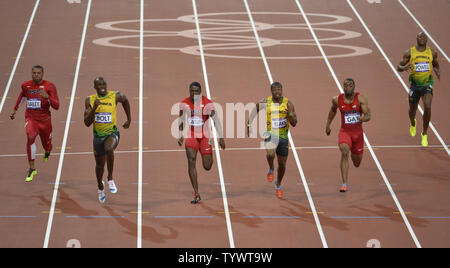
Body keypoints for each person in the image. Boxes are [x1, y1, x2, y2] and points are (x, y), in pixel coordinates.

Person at [84, 77, 131, 203]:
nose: (102, 86)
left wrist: (129, 119)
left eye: (104, 83)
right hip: (98, 137)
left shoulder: (115, 96)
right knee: (99, 166)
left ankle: (110, 178)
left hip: (112, 133)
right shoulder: (90, 100)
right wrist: (94, 108)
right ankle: (100, 186)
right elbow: (87, 123)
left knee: (109, 148)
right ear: (95, 87)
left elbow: (125, 101)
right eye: (99, 85)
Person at [247, 82, 298, 199]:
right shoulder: (266, 102)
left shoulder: (288, 104)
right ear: (271, 91)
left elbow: (294, 123)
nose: (277, 92)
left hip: (284, 137)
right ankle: (271, 168)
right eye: (274, 90)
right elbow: (255, 109)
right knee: (270, 154)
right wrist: (249, 123)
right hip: (271, 134)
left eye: (279, 89)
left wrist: (289, 113)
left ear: (282, 90)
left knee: (282, 164)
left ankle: (278, 185)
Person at [177, 82, 225, 204]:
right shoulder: (184, 103)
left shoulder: (207, 103)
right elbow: (181, 119)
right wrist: (180, 134)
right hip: (191, 135)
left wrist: (221, 137)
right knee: (191, 160)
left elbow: (216, 120)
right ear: (189, 91)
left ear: (200, 92)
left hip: (204, 136)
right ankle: (196, 192)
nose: (194, 93)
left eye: (196, 91)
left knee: (207, 166)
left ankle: (208, 154)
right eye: (192, 91)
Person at [10, 65, 60, 182]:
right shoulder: (25, 85)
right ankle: (32, 168)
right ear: (31, 73)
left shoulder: (49, 86)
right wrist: (15, 109)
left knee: (46, 145)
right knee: (30, 136)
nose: (35, 75)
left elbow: (57, 106)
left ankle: (47, 150)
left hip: (45, 121)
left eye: (38, 73)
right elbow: (22, 95)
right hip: (31, 119)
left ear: (42, 74)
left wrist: (47, 97)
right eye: (33, 73)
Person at [325, 78, 371, 192]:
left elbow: (368, 115)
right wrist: (328, 125)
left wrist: (363, 118)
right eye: (345, 85)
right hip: (345, 132)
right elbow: (332, 111)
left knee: (356, 163)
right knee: (344, 151)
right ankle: (344, 183)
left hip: (358, 134)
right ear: (343, 87)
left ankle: (353, 151)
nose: (348, 87)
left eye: (350, 85)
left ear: (354, 86)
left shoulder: (360, 98)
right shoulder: (337, 100)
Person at [397, 32, 441, 147]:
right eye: (420, 37)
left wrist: (437, 70)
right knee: (412, 111)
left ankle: (424, 134)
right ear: (416, 39)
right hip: (415, 86)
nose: (422, 38)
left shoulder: (432, 52)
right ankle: (413, 122)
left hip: (427, 85)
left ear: (427, 39)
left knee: (427, 106)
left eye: (424, 37)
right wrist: (404, 67)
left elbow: (436, 64)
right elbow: (398, 67)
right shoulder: (409, 52)